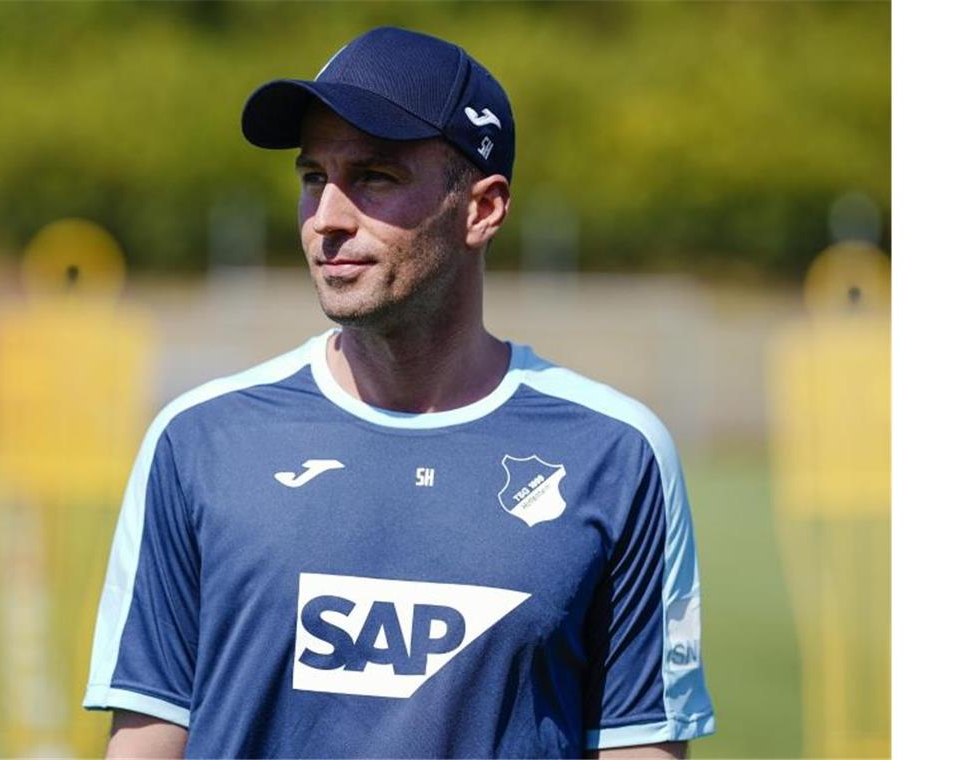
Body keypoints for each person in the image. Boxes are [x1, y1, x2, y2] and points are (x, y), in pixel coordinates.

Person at [83, 26, 715, 759]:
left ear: (482, 209)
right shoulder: (200, 441)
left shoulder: (617, 455)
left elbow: (638, 745)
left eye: (375, 177)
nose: (327, 219)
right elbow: (150, 736)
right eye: (313, 177)